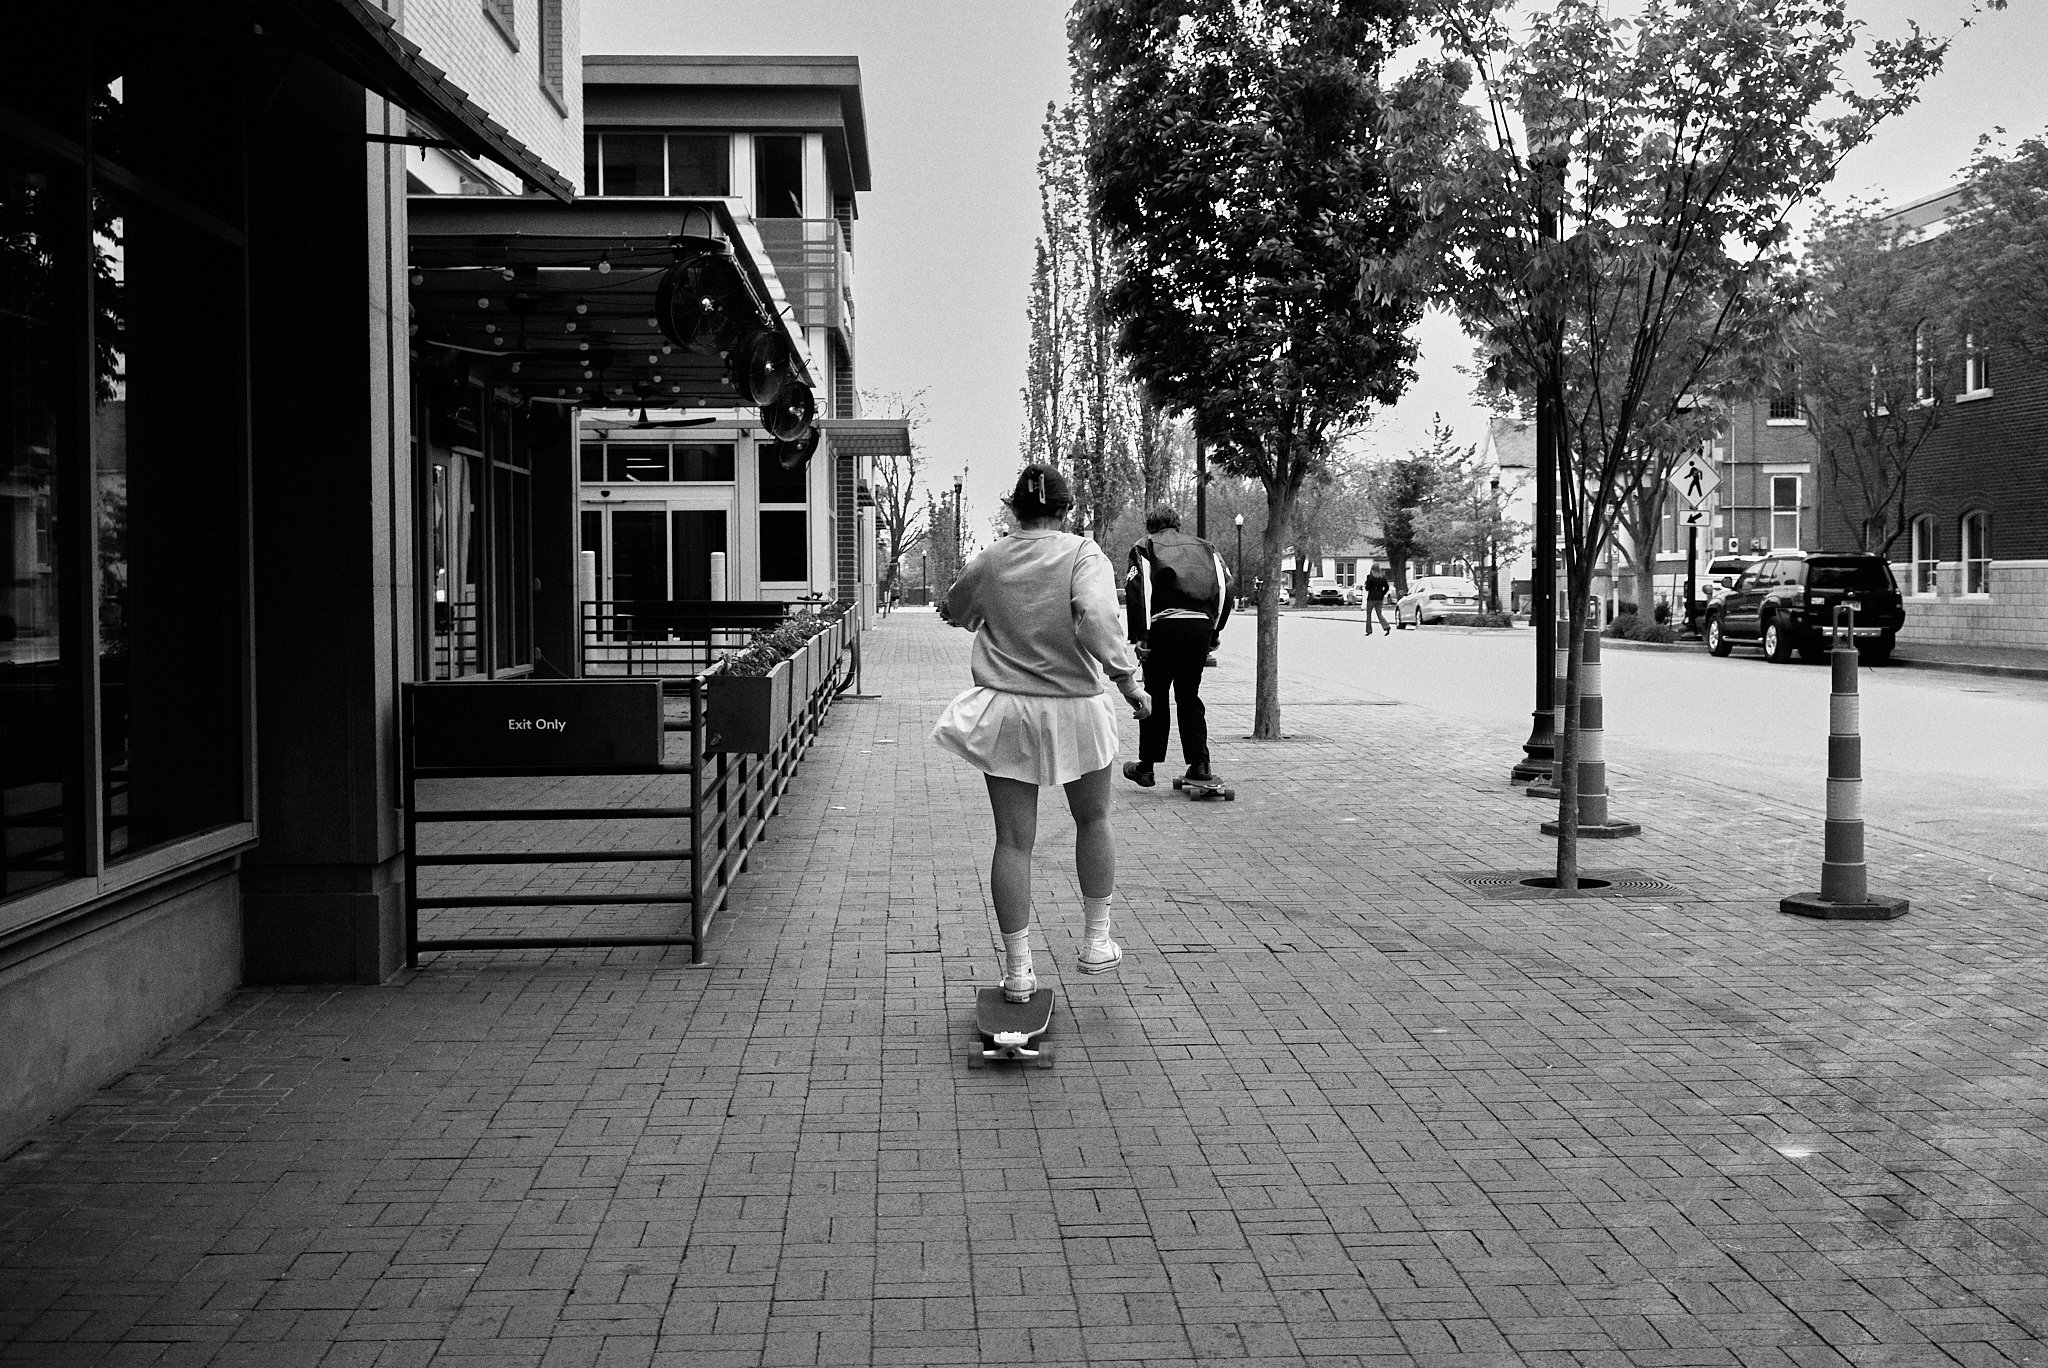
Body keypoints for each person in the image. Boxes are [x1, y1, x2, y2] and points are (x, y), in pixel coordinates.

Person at [932, 463, 1151, 1001]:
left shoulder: (992, 558)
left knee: (1013, 842)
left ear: (1014, 509)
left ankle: (1017, 971)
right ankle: (1097, 940)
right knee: (1093, 819)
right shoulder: (1082, 553)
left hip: (1006, 710)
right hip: (1076, 708)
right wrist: (1128, 681)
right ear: (1065, 508)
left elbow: (954, 607)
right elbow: (1097, 618)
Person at [1121, 504, 1231, 788]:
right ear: (1177, 524)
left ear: (1151, 525)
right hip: (1199, 628)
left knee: (1155, 693)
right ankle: (1200, 764)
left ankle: (1146, 766)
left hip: (1164, 627)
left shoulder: (1145, 546)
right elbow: (1225, 585)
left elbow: (1139, 591)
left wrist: (1141, 636)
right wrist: (1215, 629)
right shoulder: (1207, 547)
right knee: (1189, 695)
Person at [1363, 562, 1393, 635]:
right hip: (1379, 598)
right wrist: (1382, 593)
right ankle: (1386, 626)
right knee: (1379, 614)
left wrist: (1366, 584)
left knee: (1369, 614)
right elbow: (1387, 587)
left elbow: (1367, 588)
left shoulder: (1370, 577)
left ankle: (1369, 631)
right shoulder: (1382, 577)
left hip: (1371, 598)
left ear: (1372, 569)